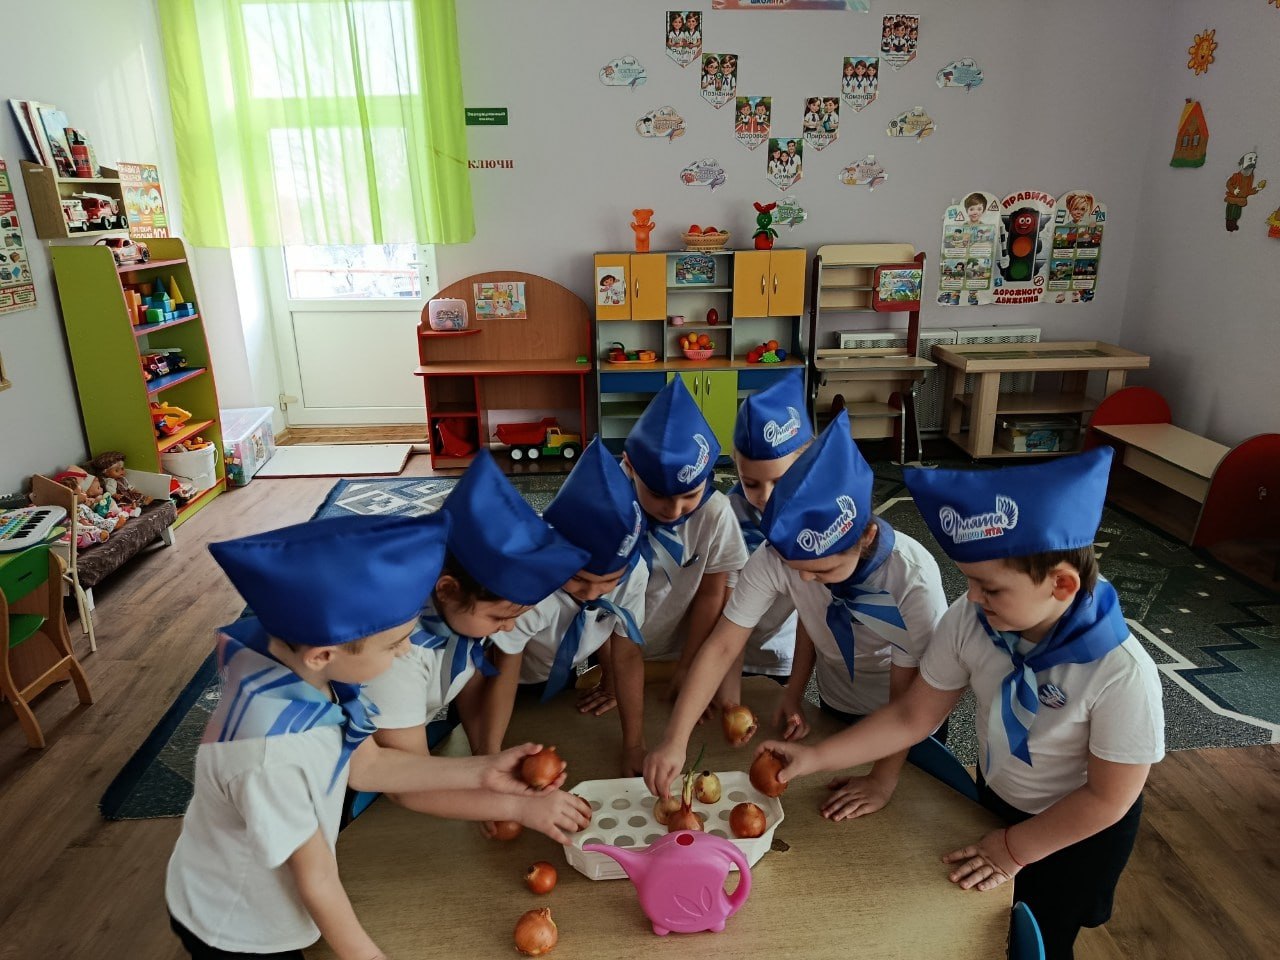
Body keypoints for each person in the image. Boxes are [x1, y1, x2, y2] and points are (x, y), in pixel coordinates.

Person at [756, 448, 1164, 960]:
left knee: (1043, 936)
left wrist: (1014, 849)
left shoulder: (1122, 672)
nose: (970, 597)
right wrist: (816, 757)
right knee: (986, 926)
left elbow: (1108, 799)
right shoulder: (973, 620)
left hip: (1078, 834)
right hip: (996, 796)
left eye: (989, 587)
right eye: (969, 581)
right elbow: (913, 715)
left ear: (1062, 584)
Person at [165, 514, 573, 960]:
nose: (406, 650)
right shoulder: (272, 755)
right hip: (237, 926)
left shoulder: (301, 673)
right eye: (393, 645)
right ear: (323, 653)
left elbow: (368, 766)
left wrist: (486, 769)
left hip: (258, 892)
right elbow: (318, 879)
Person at [644, 411, 948, 823]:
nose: (805, 579)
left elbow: (908, 703)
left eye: (821, 571)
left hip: (907, 723)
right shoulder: (780, 556)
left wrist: (881, 779)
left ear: (866, 535)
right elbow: (724, 645)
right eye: (796, 568)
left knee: (912, 819)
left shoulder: (912, 578)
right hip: (838, 700)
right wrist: (674, 740)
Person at [361, 451, 593, 840]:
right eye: (500, 618)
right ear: (447, 589)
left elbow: (466, 675)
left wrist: (485, 760)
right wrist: (513, 806)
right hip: (346, 776)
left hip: (401, 739)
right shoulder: (394, 654)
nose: (510, 627)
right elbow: (402, 783)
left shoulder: (461, 615)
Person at [480, 438, 650, 775]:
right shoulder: (529, 588)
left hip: (563, 676)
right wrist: (487, 760)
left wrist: (634, 745)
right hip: (506, 682)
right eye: (578, 579)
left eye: (608, 581)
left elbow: (625, 650)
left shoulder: (634, 573)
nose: (592, 593)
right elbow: (505, 666)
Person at [623, 377, 748, 702]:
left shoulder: (715, 513)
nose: (674, 510)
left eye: (690, 496)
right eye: (658, 495)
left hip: (677, 651)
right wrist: (613, 669)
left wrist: (689, 666)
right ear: (630, 467)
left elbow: (711, 594)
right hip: (615, 649)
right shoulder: (612, 505)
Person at [722, 370, 811, 702]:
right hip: (728, 649)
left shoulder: (819, 517)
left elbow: (814, 609)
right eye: (751, 483)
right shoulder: (728, 514)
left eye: (780, 480)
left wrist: (796, 691)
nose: (766, 496)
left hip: (781, 653)